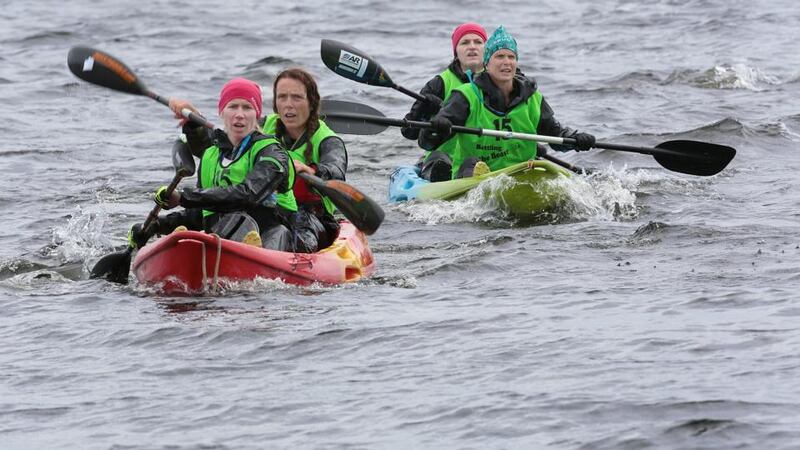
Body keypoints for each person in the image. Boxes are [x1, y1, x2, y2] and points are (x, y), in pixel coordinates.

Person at [167, 68, 347, 253]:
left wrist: (311, 171)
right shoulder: (263, 123)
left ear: (311, 102)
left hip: (309, 213)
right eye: (282, 97)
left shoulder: (328, 140)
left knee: (300, 220)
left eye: (296, 97)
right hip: (265, 206)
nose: (288, 105)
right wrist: (195, 123)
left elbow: (336, 172)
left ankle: (283, 253)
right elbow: (224, 142)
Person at [128, 77, 299, 252]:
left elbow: (248, 195)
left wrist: (184, 197)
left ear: (257, 115)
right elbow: (204, 213)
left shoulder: (273, 152)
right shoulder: (211, 156)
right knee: (196, 231)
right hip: (226, 239)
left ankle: (250, 256)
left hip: (276, 237)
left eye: (247, 107)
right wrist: (157, 225)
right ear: (222, 112)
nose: (239, 114)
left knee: (278, 231)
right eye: (233, 106)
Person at [420, 26, 596, 179]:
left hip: (522, 171)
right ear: (487, 64)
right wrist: (436, 130)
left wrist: (574, 138)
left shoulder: (533, 97)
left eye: (511, 57)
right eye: (500, 56)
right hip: (474, 173)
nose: (506, 62)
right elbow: (427, 143)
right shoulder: (466, 96)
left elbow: (554, 134)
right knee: (472, 164)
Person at [402, 22, 487, 182]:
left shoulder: (499, 83)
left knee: (474, 163)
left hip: (482, 158)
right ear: (456, 51)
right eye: (465, 42)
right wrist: (426, 111)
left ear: (486, 50)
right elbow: (409, 133)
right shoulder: (439, 84)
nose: (472, 47)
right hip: (442, 159)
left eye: (478, 42)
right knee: (440, 162)